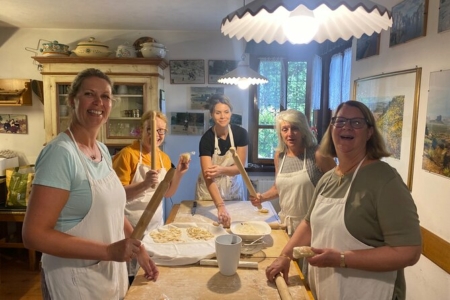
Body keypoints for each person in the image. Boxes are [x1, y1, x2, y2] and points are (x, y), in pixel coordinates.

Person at [22, 68, 159, 300]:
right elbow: (33, 234)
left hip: (107, 274)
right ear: (72, 100)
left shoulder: (103, 150)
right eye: (89, 94)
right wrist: (108, 250)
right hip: (72, 280)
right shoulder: (60, 153)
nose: (98, 102)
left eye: (105, 96)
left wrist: (139, 249)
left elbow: (113, 210)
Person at [265, 100, 422, 300]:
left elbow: (409, 252)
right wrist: (285, 256)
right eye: (340, 122)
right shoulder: (329, 178)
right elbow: (309, 224)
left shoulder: (385, 180)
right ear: (332, 129)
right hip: (328, 290)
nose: (346, 127)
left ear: (369, 132)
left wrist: (341, 259)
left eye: (356, 123)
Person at [112, 110, 190, 278]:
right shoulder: (128, 155)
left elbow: (168, 193)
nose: (157, 134)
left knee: (149, 275)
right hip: (129, 228)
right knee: (130, 278)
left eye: (161, 130)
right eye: (151, 129)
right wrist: (145, 184)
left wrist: (179, 174)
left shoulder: (164, 158)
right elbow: (115, 197)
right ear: (141, 130)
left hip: (155, 229)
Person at [249, 109, 335, 235]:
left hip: (312, 227)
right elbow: (278, 188)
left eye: (295, 128)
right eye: (285, 129)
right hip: (285, 224)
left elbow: (338, 188)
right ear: (280, 133)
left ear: (303, 131)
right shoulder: (280, 156)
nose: (290, 134)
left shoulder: (318, 154)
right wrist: (261, 198)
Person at [195, 94, 248, 227]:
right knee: (209, 227)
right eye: (218, 113)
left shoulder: (241, 134)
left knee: (237, 225)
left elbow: (240, 168)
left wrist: (221, 170)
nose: (222, 116)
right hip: (210, 191)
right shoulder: (206, 139)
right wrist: (220, 205)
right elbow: (208, 176)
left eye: (226, 112)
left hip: (233, 187)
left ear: (231, 113)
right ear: (212, 114)